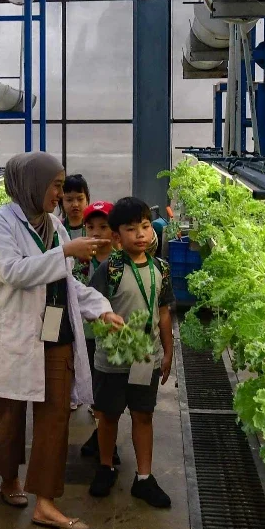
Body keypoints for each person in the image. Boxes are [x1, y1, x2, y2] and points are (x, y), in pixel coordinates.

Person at [0, 152, 123, 529]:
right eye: (55, 185)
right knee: (10, 412)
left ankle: (45, 502)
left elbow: (67, 282)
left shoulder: (54, 226)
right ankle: (8, 478)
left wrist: (100, 309)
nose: (60, 194)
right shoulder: (0, 225)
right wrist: (65, 253)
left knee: (56, 414)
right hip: (15, 335)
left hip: (55, 332)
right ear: (32, 184)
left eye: (61, 185)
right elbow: (13, 272)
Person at [87, 197, 175, 508]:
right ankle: (105, 467)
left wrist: (167, 351)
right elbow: (91, 307)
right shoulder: (108, 270)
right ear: (116, 237)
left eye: (146, 226)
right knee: (108, 415)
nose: (140, 233)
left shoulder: (161, 269)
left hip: (145, 359)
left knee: (143, 415)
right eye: (131, 228)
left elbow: (163, 313)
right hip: (111, 361)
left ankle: (144, 478)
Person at [75, 201, 121, 467]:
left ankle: (106, 443)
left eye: (103, 227)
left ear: (114, 232)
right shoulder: (80, 263)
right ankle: (102, 439)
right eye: (90, 227)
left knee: (109, 396)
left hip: (112, 337)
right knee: (95, 392)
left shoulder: (121, 263)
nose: (96, 233)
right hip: (88, 337)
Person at [61, 174, 91, 240]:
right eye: (69, 200)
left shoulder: (93, 226)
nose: (75, 204)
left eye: (80, 199)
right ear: (61, 201)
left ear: (87, 199)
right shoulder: (57, 227)